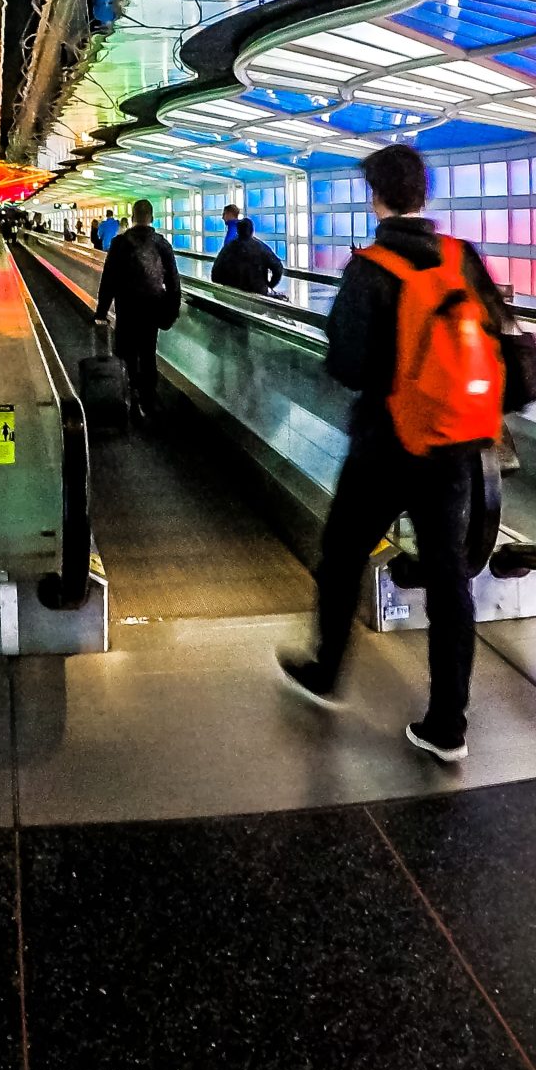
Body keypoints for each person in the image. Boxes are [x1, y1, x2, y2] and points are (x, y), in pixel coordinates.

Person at [277, 143, 510, 764]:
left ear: (375, 197)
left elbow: (346, 364)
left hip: (386, 443)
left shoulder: (370, 267)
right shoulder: (463, 259)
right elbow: (500, 340)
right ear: (424, 195)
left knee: (344, 551)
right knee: (449, 575)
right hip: (455, 444)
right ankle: (447, 723)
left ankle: (326, 673)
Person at [92, 199, 180, 423]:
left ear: (132, 217)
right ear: (151, 217)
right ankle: (149, 400)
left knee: (128, 354)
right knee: (148, 353)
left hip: (127, 307)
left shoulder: (120, 243)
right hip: (152, 308)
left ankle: (130, 397)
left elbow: (108, 280)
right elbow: (173, 281)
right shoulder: (162, 244)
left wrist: (101, 311)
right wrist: (171, 310)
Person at [210, 215, 284, 294]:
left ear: (238, 230)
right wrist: (269, 285)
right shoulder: (261, 247)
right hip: (257, 292)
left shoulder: (228, 248)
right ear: (252, 231)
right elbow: (278, 267)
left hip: (233, 293)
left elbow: (215, 273)